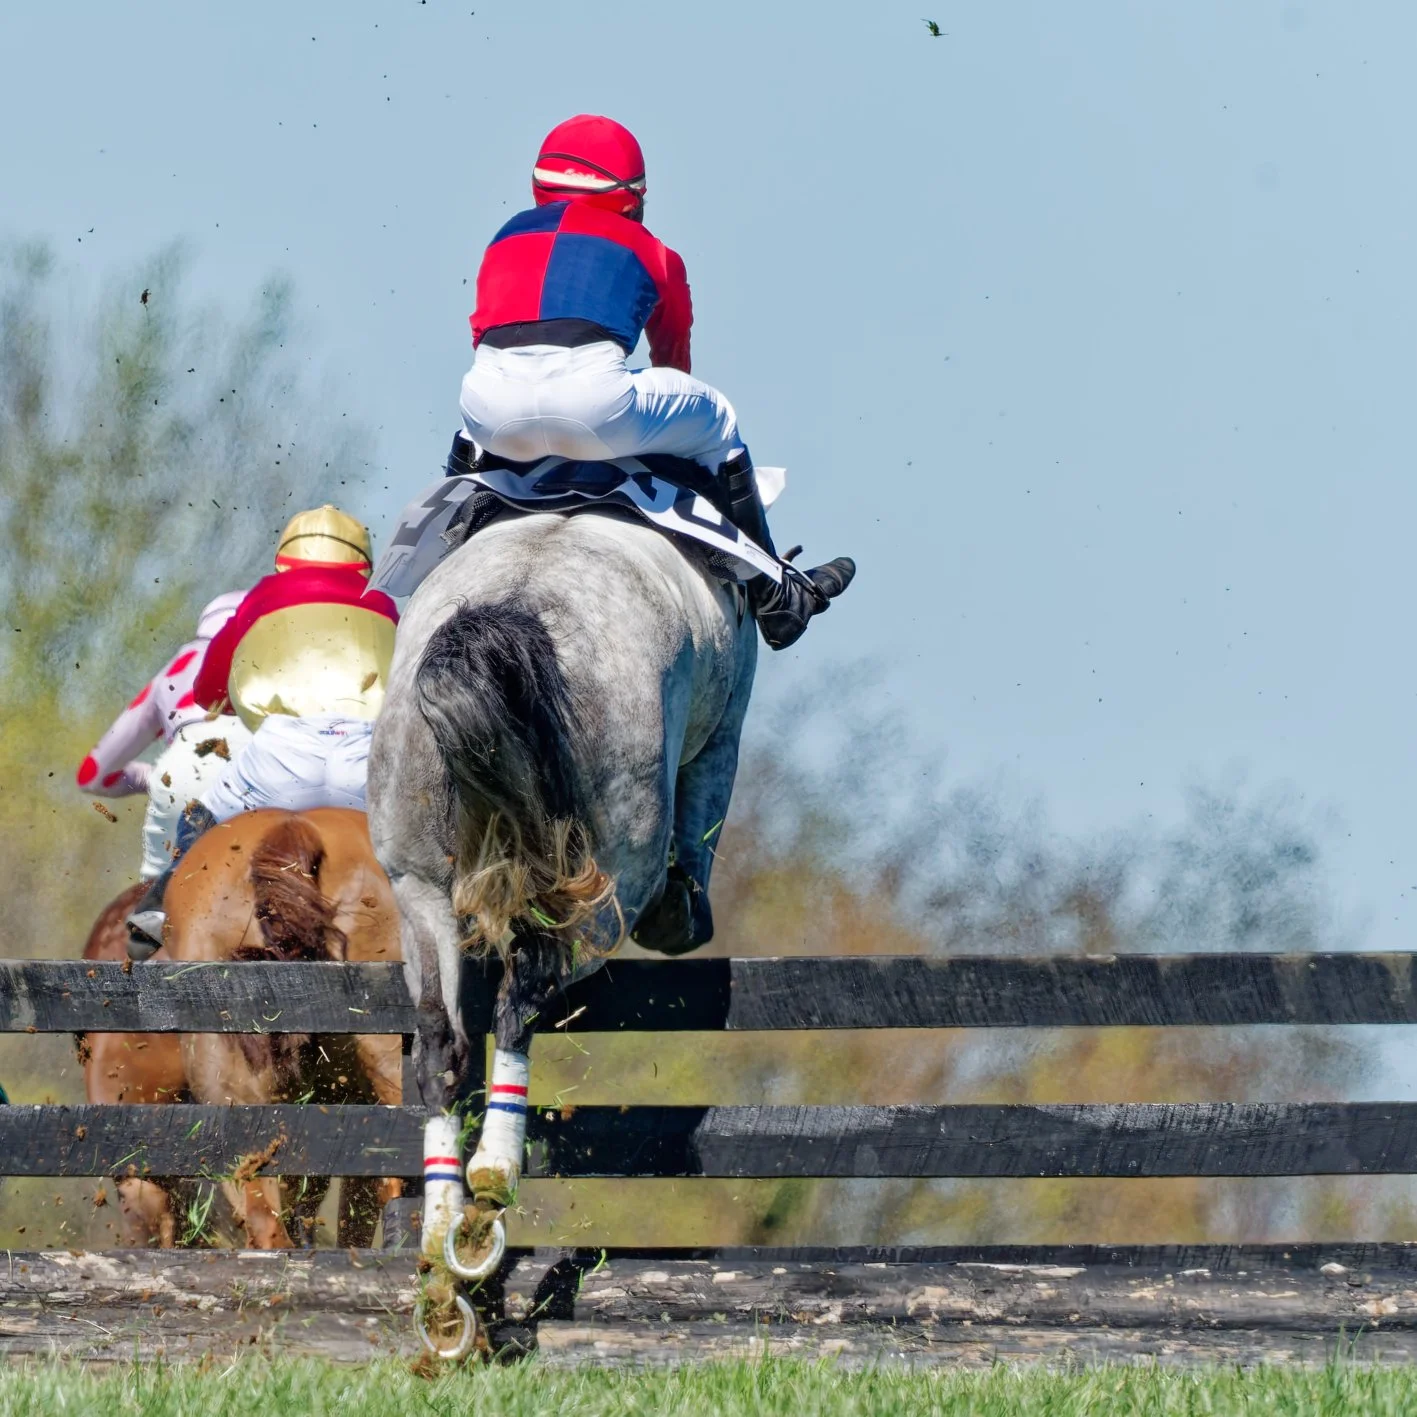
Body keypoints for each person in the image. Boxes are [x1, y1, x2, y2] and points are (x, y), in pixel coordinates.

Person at [457, 114, 855, 651]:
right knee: (716, 417)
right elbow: (672, 361)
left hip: (489, 407)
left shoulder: (503, 237)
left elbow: (486, 336)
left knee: (471, 428)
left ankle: (447, 552)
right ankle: (776, 596)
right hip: (598, 404)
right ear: (631, 196)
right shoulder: (655, 252)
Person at [126, 506, 398, 953]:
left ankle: (156, 909)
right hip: (365, 762)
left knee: (202, 816)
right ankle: (472, 924)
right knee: (432, 841)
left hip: (280, 757)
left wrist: (232, 698)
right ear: (364, 559)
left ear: (285, 557)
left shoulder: (261, 596)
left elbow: (208, 686)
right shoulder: (384, 603)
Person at [76, 591, 251, 880]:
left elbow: (92, 774)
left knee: (157, 907)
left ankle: (153, 915)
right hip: (256, 775)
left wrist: (149, 777)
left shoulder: (173, 671)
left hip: (182, 778)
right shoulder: (274, 659)